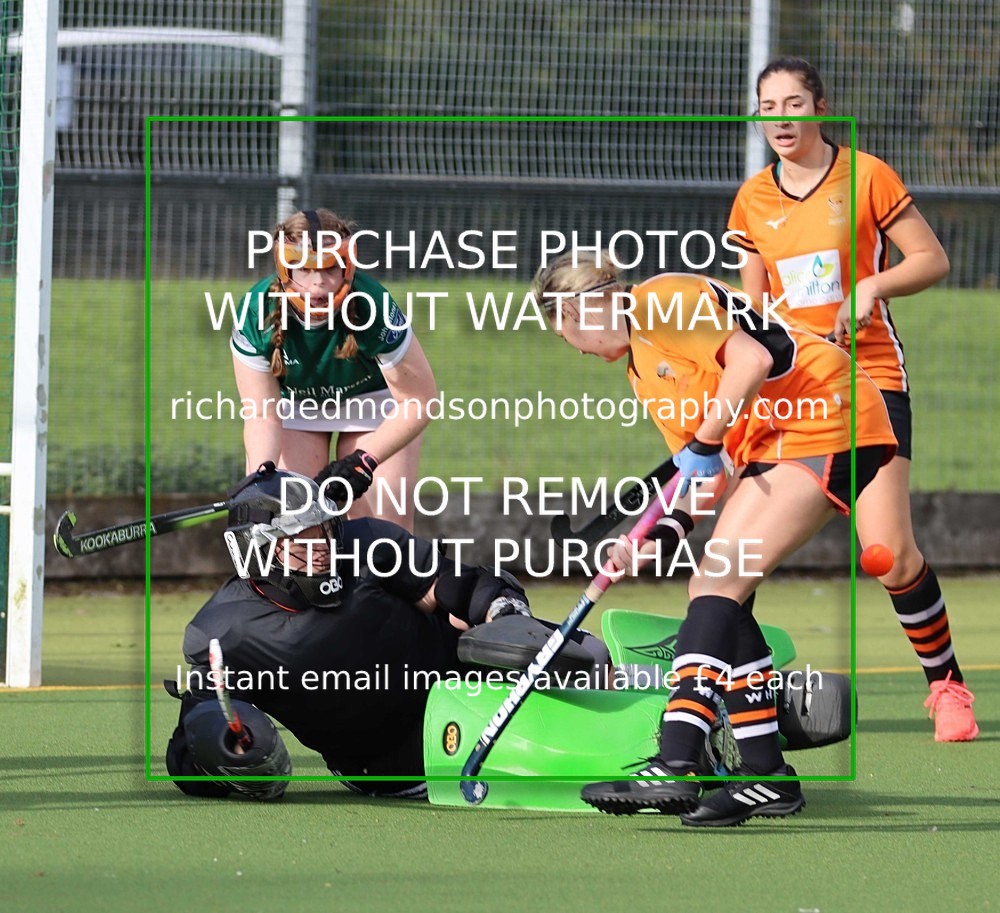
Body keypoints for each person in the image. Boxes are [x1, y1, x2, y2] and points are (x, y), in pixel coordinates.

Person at [531, 252, 897, 825]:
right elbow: (706, 474)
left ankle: (676, 759)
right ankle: (766, 777)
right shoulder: (641, 372)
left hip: (827, 412)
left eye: (565, 334)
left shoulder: (660, 302)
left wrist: (704, 439)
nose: (575, 349)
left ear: (580, 310)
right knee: (722, 594)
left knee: (718, 583)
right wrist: (657, 535)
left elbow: (751, 360)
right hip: (775, 441)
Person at [727, 57, 977, 742]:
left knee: (888, 552)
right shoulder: (753, 199)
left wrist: (873, 287)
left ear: (820, 107)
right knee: (736, 558)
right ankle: (737, 694)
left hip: (869, 378)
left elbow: (931, 258)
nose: (780, 118)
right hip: (794, 391)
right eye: (768, 106)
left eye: (793, 103)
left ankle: (947, 687)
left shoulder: (867, 176)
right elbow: (753, 308)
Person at [164, 462, 533, 800]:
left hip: (468, 683)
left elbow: (453, 584)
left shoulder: (367, 543)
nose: (322, 548)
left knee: (530, 640)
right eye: (302, 538)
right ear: (261, 550)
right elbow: (190, 752)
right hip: (393, 763)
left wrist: (500, 609)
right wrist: (222, 746)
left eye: (324, 530)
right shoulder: (223, 634)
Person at [230, 208, 438, 531]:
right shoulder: (255, 312)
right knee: (294, 529)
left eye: (330, 268)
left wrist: (364, 460)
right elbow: (262, 415)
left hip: (375, 405)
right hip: (296, 408)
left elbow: (420, 401)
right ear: (285, 268)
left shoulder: (374, 306)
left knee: (384, 535)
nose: (318, 284)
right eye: (304, 269)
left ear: (347, 265)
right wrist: (260, 481)